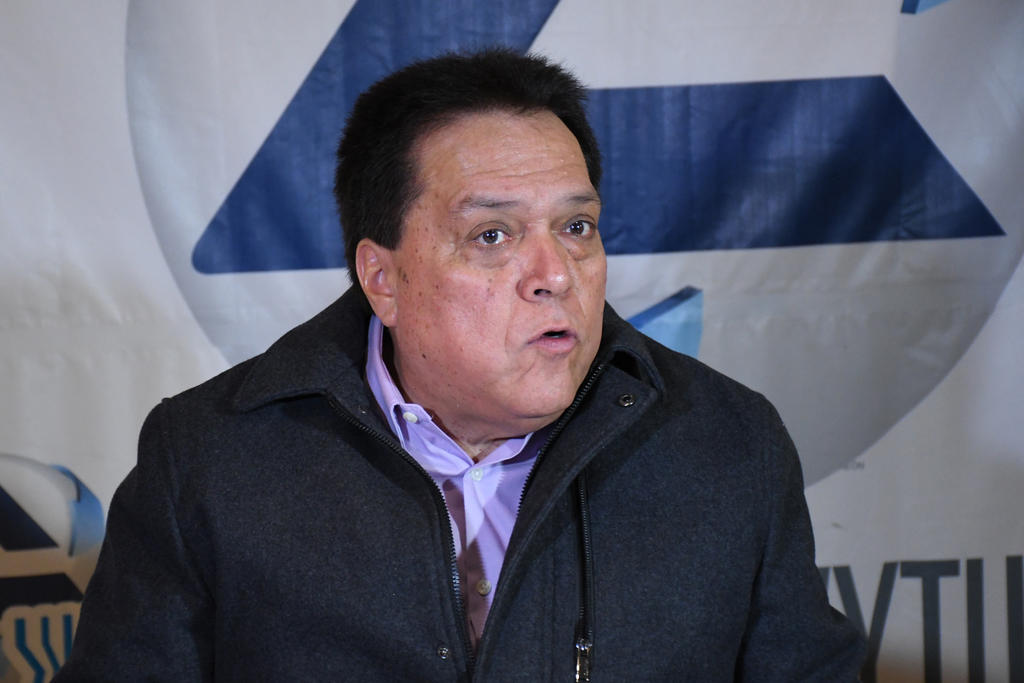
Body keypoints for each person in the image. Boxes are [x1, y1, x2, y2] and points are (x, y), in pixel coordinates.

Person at [57, 48, 865, 681]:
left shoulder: (728, 444)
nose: (555, 274)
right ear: (383, 279)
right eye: (493, 235)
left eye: (577, 228)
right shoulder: (209, 462)